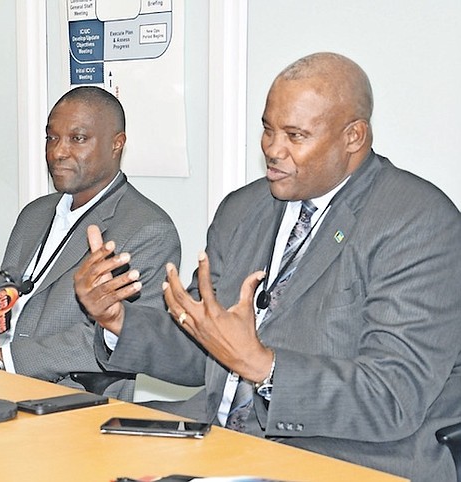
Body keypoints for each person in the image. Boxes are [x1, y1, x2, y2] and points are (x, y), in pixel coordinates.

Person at [74, 52, 461, 481]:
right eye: (267, 129)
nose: (273, 150)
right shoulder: (244, 209)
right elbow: (204, 348)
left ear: (353, 137)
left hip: (342, 460)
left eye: (295, 136)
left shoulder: (417, 221)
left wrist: (264, 367)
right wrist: (116, 320)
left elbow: (393, 397)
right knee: (66, 454)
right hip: (212, 438)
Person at [0, 86, 180, 401]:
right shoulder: (34, 214)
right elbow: (6, 302)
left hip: (69, 402)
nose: (58, 152)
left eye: (77, 139)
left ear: (116, 144)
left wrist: (6, 360)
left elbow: (117, 336)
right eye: (52, 138)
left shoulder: (149, 229)